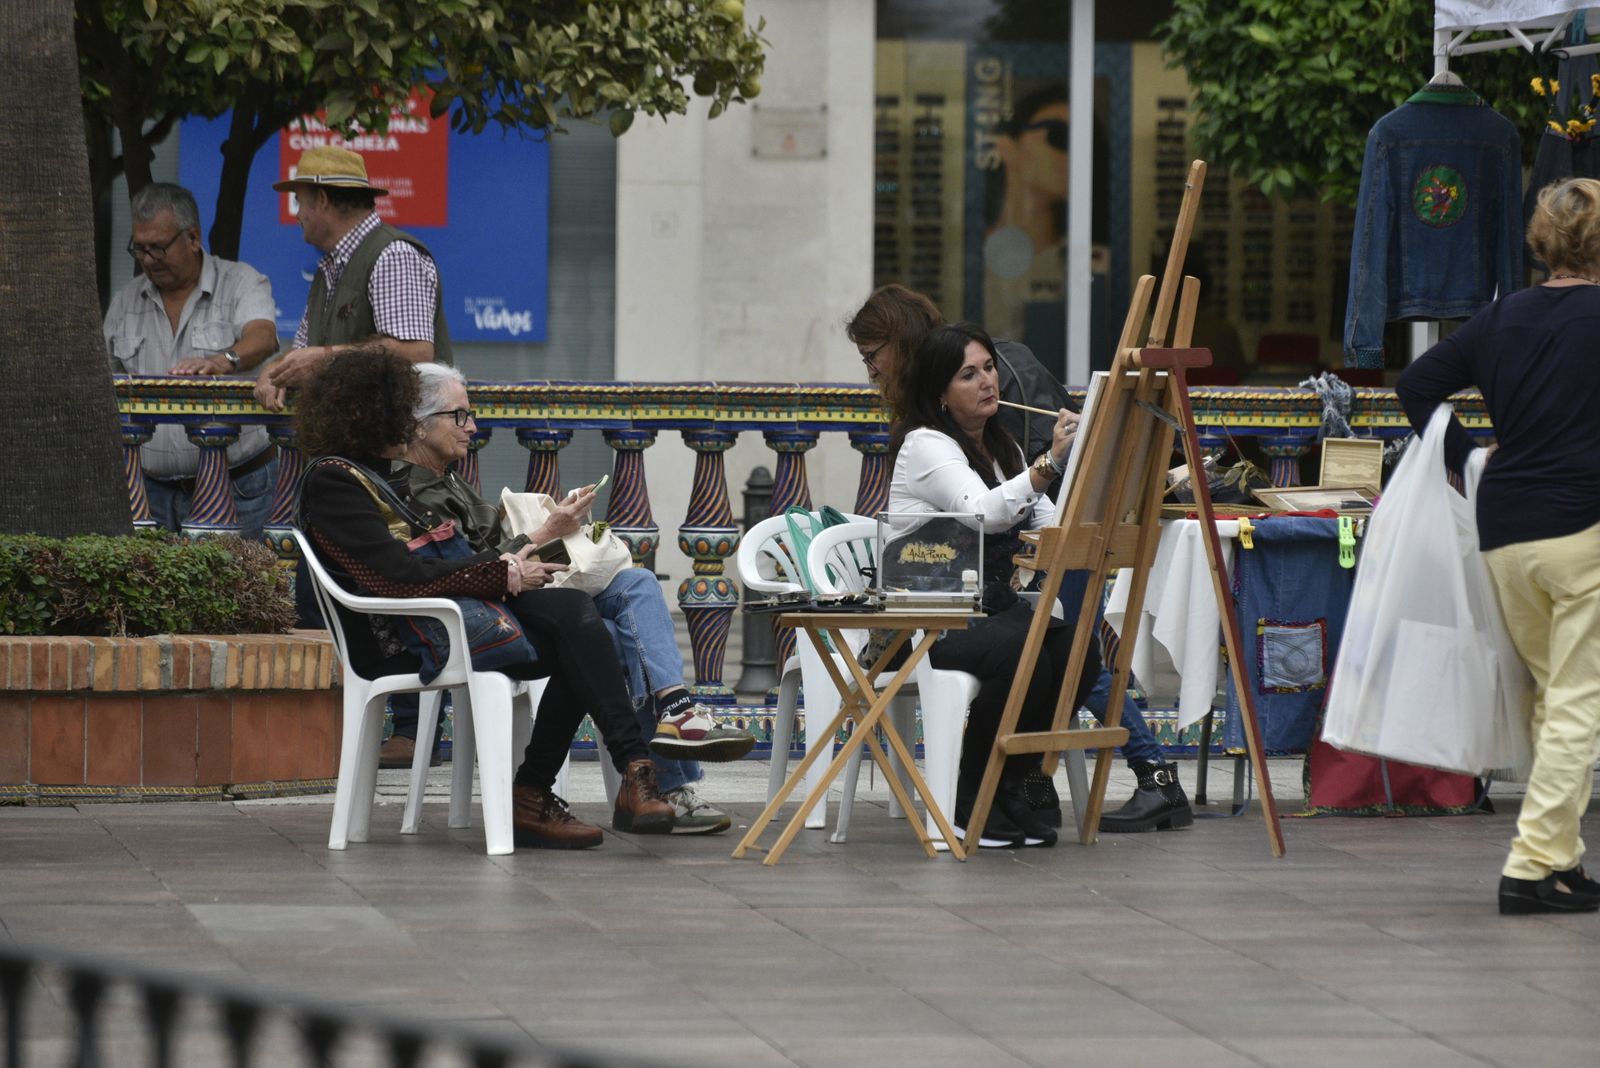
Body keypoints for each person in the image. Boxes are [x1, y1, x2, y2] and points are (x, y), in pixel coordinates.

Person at [294, 347, 675, 849]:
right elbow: (397, 576)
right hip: (398, 636)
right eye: (401, 409)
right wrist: (502, 573)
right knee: (582, 631)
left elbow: (423, 567)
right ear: (376, 413)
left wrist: (506, 569)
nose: (408, 423)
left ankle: (617, 773)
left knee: (587, 628)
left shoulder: (377, 476)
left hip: (440, 618)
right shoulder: (335, 481)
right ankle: (562, 786)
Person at [846, 285, 1193, 834]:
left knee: (1070, 652)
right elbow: (981, 512)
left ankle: (1015, 780)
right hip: (928, 614)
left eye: (989, 369)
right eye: (969, 374)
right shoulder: (927, 445)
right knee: (1021, 646)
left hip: (984, 607)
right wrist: (1048, 464)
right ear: (939, 391)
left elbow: (1047, 520)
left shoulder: (1001, 444)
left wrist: (1104, 503)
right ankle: (971, 790)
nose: (988, 381)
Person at [390, 363, 755, 834]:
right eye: (460, 416)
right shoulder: (413, 489)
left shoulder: (450, 479)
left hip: (523, 592)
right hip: (486, 612)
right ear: (419, 423)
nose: (473, 427)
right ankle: (658, 781)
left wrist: (556, 531)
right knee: (603, 633)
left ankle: (675, 708)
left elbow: (491, 555)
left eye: (470, 414)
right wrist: (548, 531)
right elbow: (469, 569)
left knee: (638, 586)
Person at [1396, 177, 1600, 915]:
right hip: (1584, 524)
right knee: (1580, 698)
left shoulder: (1503, 315)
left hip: (1505, 524)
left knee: (1556, 695)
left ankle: (1563, 859)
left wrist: (1469, 458)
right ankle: (1527, 864)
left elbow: (1417, 384)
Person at [104, 183, 280, 540]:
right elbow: (106, 382)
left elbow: (264, 337)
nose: (149, 260)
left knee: (244, 592)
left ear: (193, 238)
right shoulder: (125, 301)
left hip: (240, 487)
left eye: (159, 248)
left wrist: (224, 360)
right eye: (140, 249)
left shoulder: (241, 282)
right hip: (149, 492)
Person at [254, 146, 450, 412]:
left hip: (404, 444)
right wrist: (273, 370)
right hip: (357, 437)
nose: (297, 215)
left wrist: (324, 360)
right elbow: (303, 353)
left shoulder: (394, 253)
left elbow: (415, 352)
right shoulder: (331, 267)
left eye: (299, 201)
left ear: (322, 200)